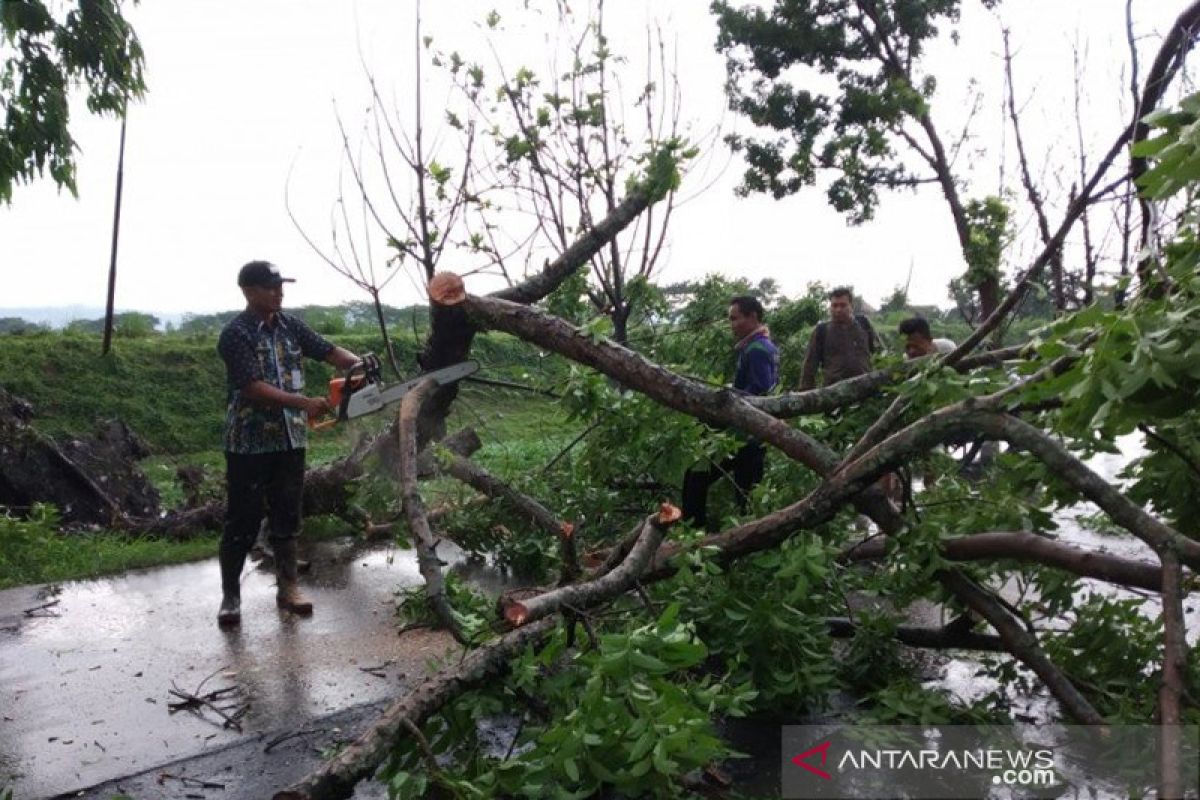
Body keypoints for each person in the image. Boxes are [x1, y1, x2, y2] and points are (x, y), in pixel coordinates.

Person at [215, 260, 361, 627]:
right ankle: (231, 596)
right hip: (248, 442)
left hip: (289, 439)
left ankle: (289, 589)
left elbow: (327, 350)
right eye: (270, 287)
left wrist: (357, 365)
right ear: (249, 292)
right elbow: (250, 385)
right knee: (242, 520)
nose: (279, 292)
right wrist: (303, 403)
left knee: (287, 515)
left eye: (281, 286)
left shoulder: (290, 325)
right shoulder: (236, 334)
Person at [681, 295, 779, 530]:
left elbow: (759, 392)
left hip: (743, 436)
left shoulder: (757, 349)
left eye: (735, 319)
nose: (732, 324)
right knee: (746, 495)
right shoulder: (758, 346)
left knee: (696, 477)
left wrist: (726, 399)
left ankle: (693, 537)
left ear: (753, 317)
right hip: (749, 434)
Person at [799, 287, 881, 390]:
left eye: (843, 305)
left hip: (865, 389)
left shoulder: (863, 324)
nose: (838, 309)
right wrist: (806, 393)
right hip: (834, 392)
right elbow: (809, 365)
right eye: (834, 305)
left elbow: (880, 354)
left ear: (851, 306)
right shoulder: (822, 330)